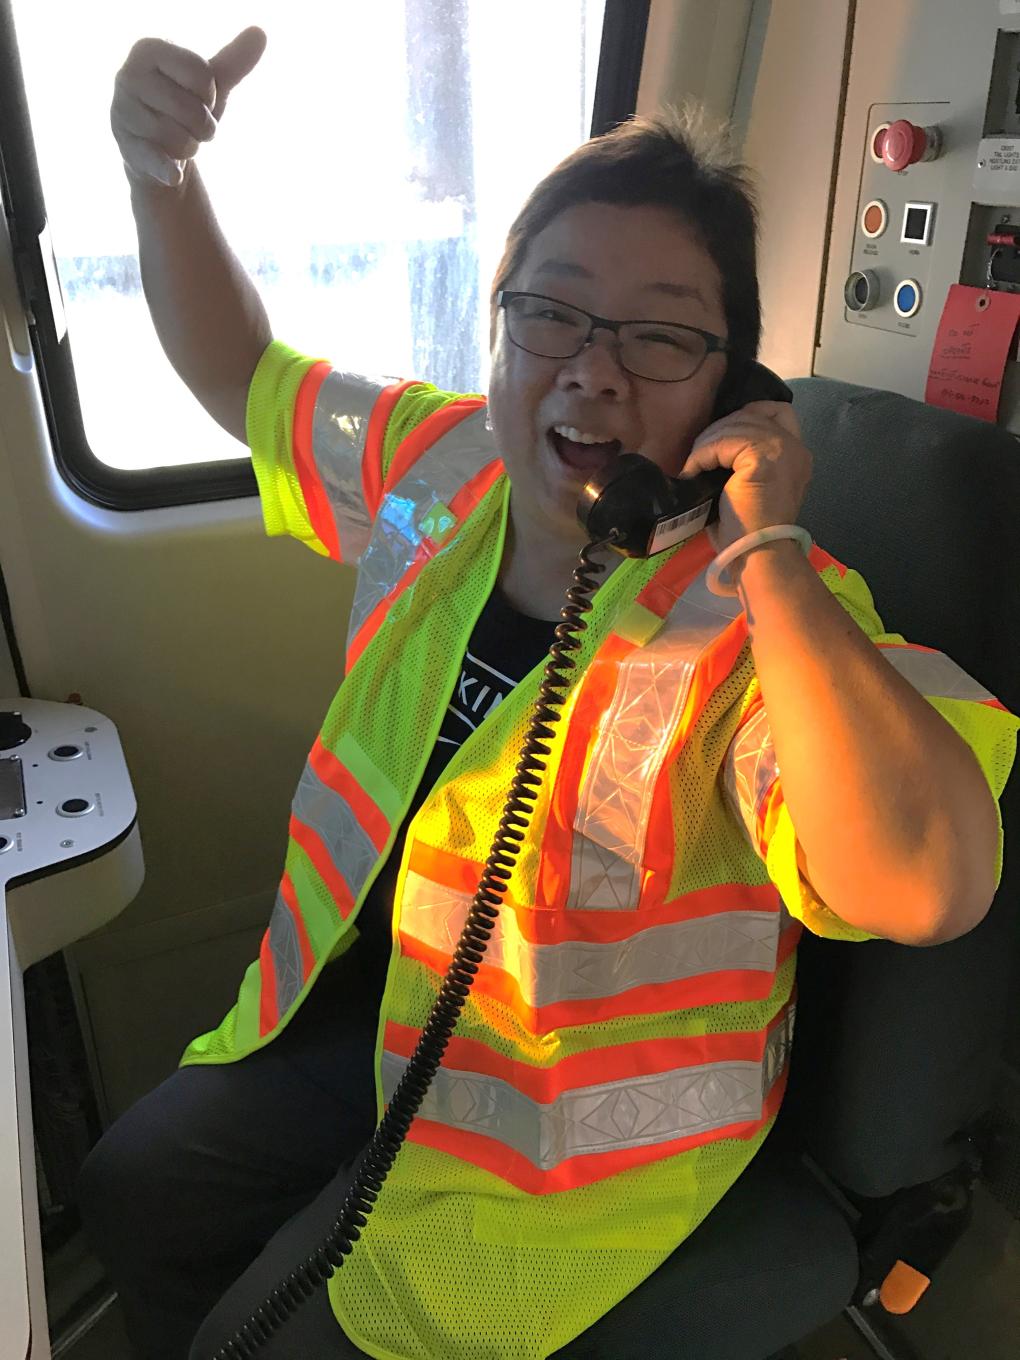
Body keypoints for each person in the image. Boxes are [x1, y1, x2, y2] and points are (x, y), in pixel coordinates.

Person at [78, 24, 1019, 1360]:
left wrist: (771, 555)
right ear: (502, 327)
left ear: (733, 390)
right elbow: (243, 378)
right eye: (555, 312)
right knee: (133, 1190)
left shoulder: (763, 623)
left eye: (660, 335)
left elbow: (927, 880)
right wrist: (158, 176)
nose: (593, 366)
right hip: (382, 1005)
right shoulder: (442, 463)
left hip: (563, 1139)